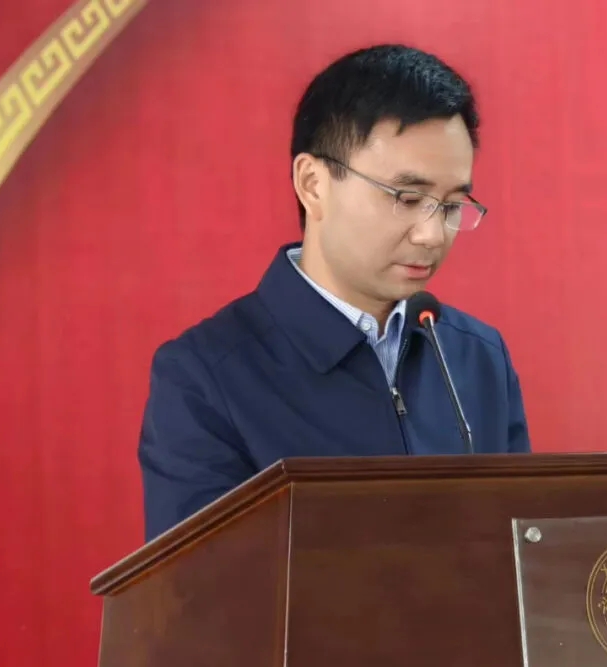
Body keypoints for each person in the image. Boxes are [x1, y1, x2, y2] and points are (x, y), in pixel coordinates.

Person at [136, 44, 532, 543]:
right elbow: (202, 583)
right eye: (408, 198)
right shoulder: (204, 377)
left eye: (452, 205)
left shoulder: (478, 357)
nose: (432, 235)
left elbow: (525, 554)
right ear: (313, 184)